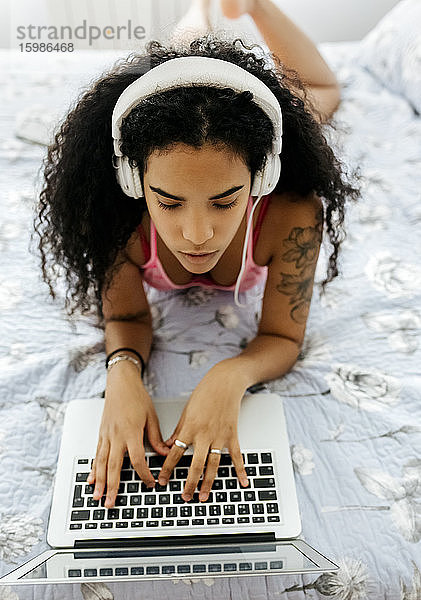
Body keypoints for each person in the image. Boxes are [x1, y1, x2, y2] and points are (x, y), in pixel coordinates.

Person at [34, 0, 360, 510]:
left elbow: (280, 336)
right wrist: (122, 373)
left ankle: (249, 4)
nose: (198, 234)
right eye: (168, 201)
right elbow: (124, 316)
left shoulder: (291, 214)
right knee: (180, 50)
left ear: (261, 178)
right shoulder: (114, 215)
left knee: (322, 96)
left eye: (226, 200)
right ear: (132, 181)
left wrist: (229, 376)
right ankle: (201, 13)